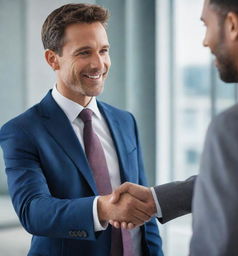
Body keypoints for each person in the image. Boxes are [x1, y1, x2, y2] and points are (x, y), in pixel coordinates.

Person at [0, 4, 164, 256]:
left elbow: (144, 210)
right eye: (84, 52)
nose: (99, 64)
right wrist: (103, 209)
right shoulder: (22, 131)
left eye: (104, 50)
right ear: (52, 59)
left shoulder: (125, 121)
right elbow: (33, 211)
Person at [111, 0, 238, 254]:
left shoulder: (237, 124)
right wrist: (157, 199)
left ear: (232, 25)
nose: (205, 41)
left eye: (206, 25)